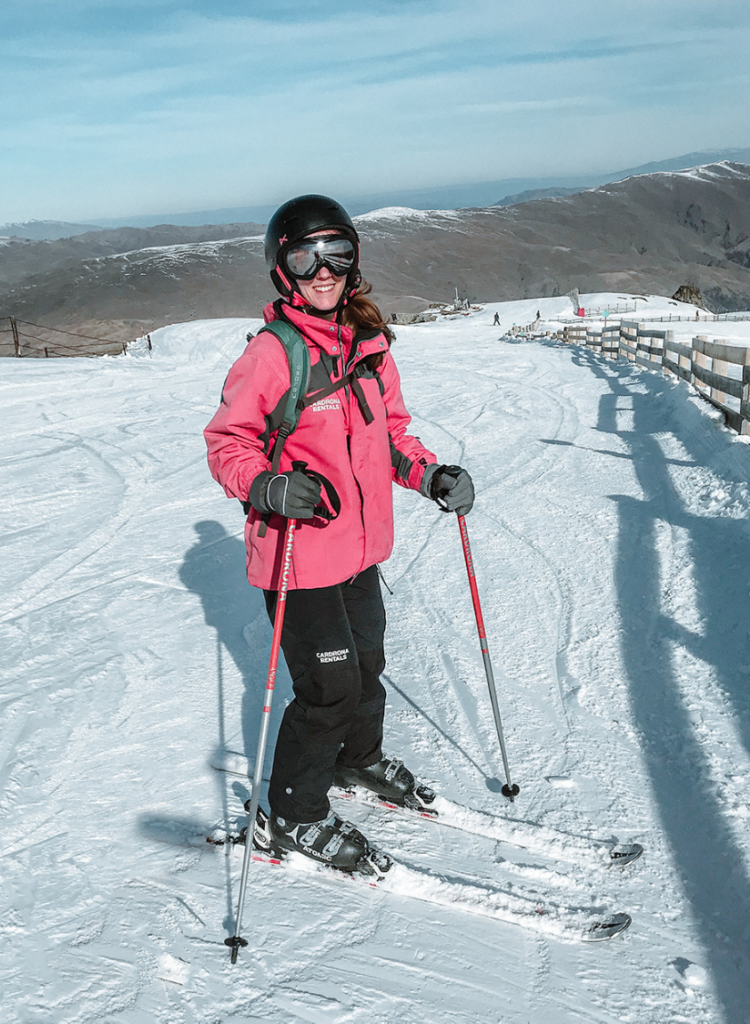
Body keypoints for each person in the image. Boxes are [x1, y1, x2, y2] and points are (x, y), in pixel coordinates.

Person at [204, 195, 474, 874]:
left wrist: (431, 476)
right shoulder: (272, 355)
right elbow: (226, 443)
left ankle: (355, 762)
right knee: (326, 689)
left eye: (337, 254)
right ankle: (293, 813)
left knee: (367, 670)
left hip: (360, 551)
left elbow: (392, 439)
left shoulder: (370, 346)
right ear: (281, 269)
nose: (323, 270)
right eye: (305, 256)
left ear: (354, 261)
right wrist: (266, 485)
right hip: (298, 558)